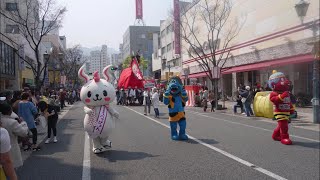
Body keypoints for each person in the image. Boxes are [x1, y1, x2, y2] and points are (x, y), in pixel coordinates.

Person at [0, 103, 29, 168]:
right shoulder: (12, 122)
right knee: (10, 167)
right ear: (9, 111)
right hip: (11, 148)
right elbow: (24, 132)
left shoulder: (1, 120)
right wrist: (23, 123)